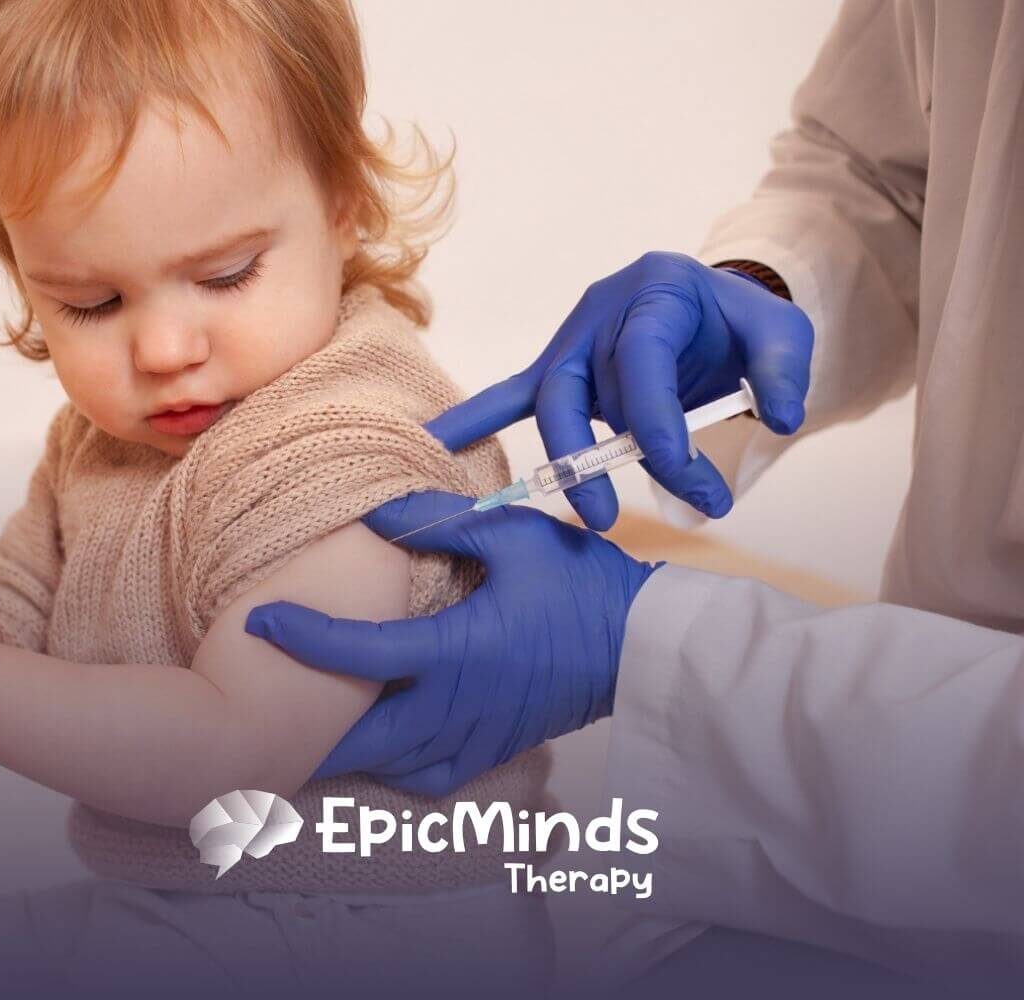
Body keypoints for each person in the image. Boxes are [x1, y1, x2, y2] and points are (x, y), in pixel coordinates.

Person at [242, 0, 1024, 990]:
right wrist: (765, 286)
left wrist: (645, 646)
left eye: (228, 272)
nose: (166, 346)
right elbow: (898, 166)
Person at [0, 1, 556, 996]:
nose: (164, 351)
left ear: (343, 199)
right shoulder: (109, 439)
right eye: (91, 301)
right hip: (199, 903)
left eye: (223, 274)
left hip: (365, 931)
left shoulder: (356, 451)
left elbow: (225, 755)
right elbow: (29, 612)